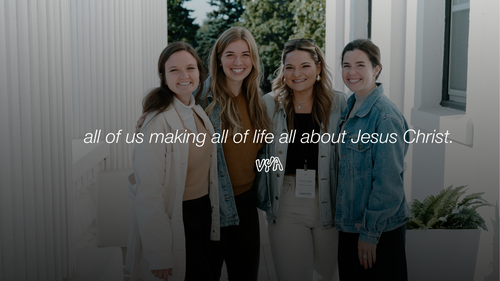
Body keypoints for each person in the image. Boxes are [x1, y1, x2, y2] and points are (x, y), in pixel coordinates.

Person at [125, 42, 219, 281]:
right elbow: (149, 193)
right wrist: (159, 254)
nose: (184, 75)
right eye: (174, 70)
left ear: (199, 72)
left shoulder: (197, 111)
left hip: (203, 213)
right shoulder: (156, 123)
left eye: (190, 68)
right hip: (179, 216)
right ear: (163, 77)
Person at [260, 39, 347, 281]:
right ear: (283, 70)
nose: (296, 74)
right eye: (289, 67)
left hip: (329, 200)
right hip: (286, 202)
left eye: (305, 66)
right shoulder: (269, 103)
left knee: (326, 275)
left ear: (318, 68)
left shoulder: (339, 103)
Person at [199, 26, 271, 281]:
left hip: (246, 204)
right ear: (218, 58)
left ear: (253, 59)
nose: (238, 62)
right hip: (210, 206)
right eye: (230, 54)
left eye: (245, 54)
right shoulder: (201, 99)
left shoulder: (259, 101)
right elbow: (168, 101)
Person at [335, 38, 409, 281]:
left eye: (360, 65)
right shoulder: (351, 107)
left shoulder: (384, 116)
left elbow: (388, 183)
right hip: (351, 226)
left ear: (376, 69)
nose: (351, 72)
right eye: (346, 65)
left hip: (377, 233)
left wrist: (369, 233)